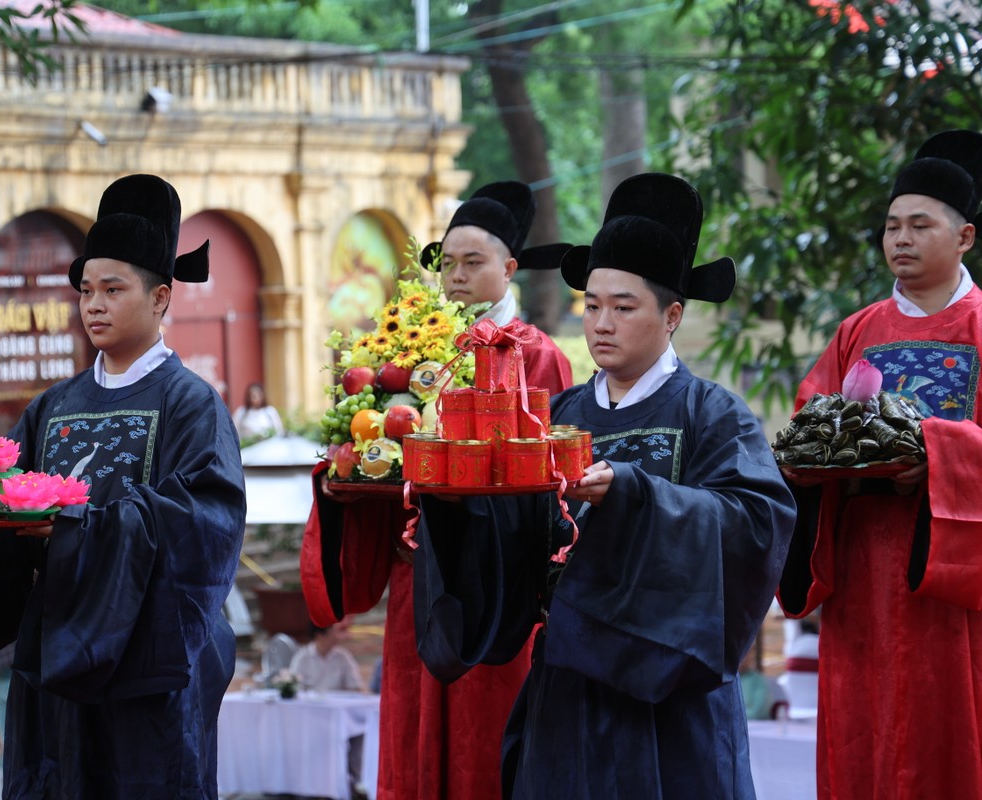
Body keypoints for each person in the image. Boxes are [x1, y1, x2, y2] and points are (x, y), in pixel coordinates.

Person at [413, 173, 797, 798]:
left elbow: (756, 523)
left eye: (624, 307)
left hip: (672, 694)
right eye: (591, 306)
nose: (602, 324)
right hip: (569, 686)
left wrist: (636, 494)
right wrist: (457, 504)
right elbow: (513, 543)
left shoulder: (712, 414)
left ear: (672, 315)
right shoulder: (551, 415)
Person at [0, 174, 247, 799]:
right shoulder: (54, 404)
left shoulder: (191, 404)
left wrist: (81, 526)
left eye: (113, 289)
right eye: (85, 291)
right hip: (57, 644)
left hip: (149, 653)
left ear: (162, 299)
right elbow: (12, 508)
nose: (94, 306)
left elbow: (206, 524)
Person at [300, 181, 575, 800]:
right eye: (445, 263)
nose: (455, 276)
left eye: (472, 263)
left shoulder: (539, 355)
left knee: (491, 741)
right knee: (413, 738)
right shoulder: (411, 348)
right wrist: (355, 473)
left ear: (509, 267)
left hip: (499, 586)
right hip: (417, 576)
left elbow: (551, 481)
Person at [778, 129, 982, 798]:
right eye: (892, 225)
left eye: (920, 225)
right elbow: (811, 421)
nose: (900, 238)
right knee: (862, 736)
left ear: (965, 238)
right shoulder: (856, 331)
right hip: (862, 569)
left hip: (953, 583)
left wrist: (942, 460)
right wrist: (806, 464)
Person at [289, 620, 369, 800]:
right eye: (333, 632)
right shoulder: (302, 658)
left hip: (339, 717)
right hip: (309, 719)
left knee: (360, 730)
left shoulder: (342, 657)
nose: (338, 636)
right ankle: (308, 784)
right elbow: (294, 691)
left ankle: (353, 781)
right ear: (319, 636)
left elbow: (357, 689)